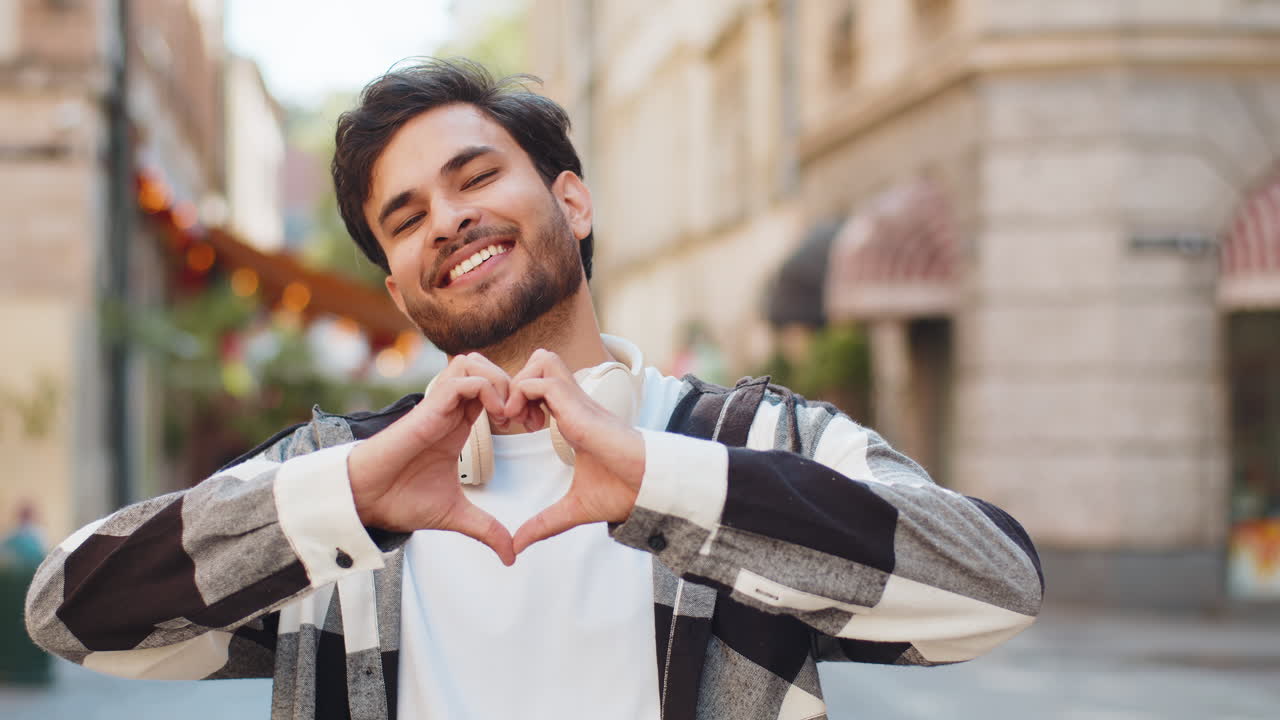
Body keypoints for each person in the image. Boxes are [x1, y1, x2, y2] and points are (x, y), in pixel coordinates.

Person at [26, 58, 1043, 720]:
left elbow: (993, 585)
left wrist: (657, 483)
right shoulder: (339, 478)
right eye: (407, 216)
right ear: (396, 286)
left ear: (572, 199)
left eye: (475, 178)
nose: (449, 221)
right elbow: (70, 612)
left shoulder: (752, 437)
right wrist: (348, 498)